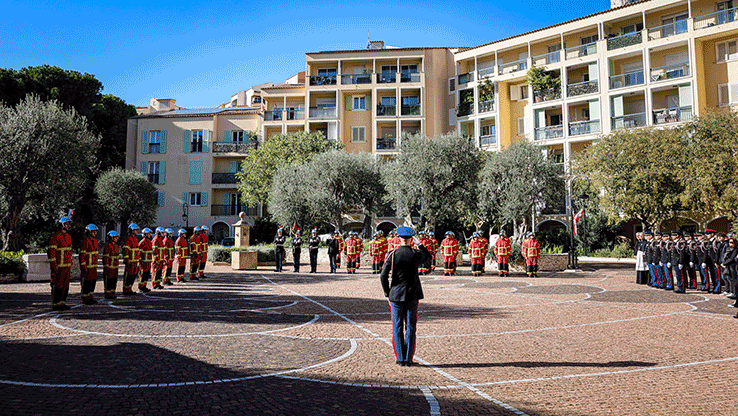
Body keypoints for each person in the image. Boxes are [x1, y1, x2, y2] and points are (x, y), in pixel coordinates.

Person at [379, 226, 431, 367]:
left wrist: (387, 292)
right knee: (411, 327)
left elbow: (383, 276)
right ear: (411, 240)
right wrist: (420, 244)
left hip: (396, 295)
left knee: (396, 327)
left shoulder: (392, 254)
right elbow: (428, 257)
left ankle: (400, 358)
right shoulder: (415, 253)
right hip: (412, 294)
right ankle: (409, 358)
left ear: (399, 238)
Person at [48, 216, 74, 310]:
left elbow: (69, 251)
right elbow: (52, 252)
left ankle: (62, 303)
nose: (67, 226)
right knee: (57, 285)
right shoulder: (56, 237)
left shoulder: (68, 236)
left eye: (68, 224)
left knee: (65, 286)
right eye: (65, 224)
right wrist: (54, 265)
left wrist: (70, 263)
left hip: (67, 267)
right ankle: (56, 304)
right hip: (58, 266)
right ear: (61, 225)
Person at [79, 224, 100, 304]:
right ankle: (85, 298)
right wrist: (83, 266)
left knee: (92, 283)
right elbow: (82, 255)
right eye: (93, 231)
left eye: (95, 232)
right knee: (86, 283)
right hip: (87, 267)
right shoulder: (85, 241)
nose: (95, 233)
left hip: (93, 267)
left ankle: (90, 297)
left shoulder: (95, 241)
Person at [122, 223, 140, 295]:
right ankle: (126, 289)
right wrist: (127, 260)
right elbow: (125, 251)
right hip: (130, 261)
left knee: (132, 276)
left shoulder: (135, 239)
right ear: (132, 231)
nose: (136, 232)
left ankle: (129, 288)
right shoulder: (128, 239)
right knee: (128, 276)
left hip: (134, 261)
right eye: (135, 230)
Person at [102, 231, 120, 299]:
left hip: (115, 267)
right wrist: (106, 266)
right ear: (111, 238)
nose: (116, 239)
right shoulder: (108, 246)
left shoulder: (116, 246)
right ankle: (108, 294)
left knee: (114, 281)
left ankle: (112, 293)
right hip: (109, 267)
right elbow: (106, 257)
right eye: (115, 237)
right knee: (108, 281)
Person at [138, 228, 154, 293]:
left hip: (148, 262)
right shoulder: (142, 242)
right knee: (142, 275)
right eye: (148, 234)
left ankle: (144, 286)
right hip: (143, 263)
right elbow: (139, 254)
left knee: (146, 275)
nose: (150, 235)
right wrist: (141, 262)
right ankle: (141, 287)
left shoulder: (149, 242)